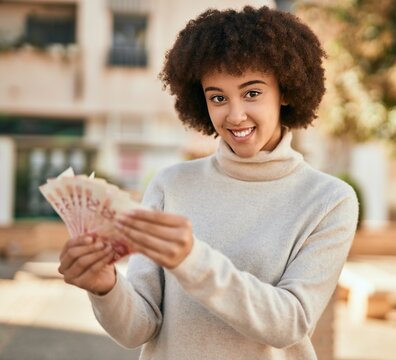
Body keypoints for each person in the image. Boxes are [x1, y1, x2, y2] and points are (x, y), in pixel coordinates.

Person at [58, 5, 358, 359]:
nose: (234, 115)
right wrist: (105, 287)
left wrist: (193, 261)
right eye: (218, 97)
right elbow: (139, 328)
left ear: (286, 91)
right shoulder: (171, 184)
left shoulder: (329, 200)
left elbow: (290, 323)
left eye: (252, 93)